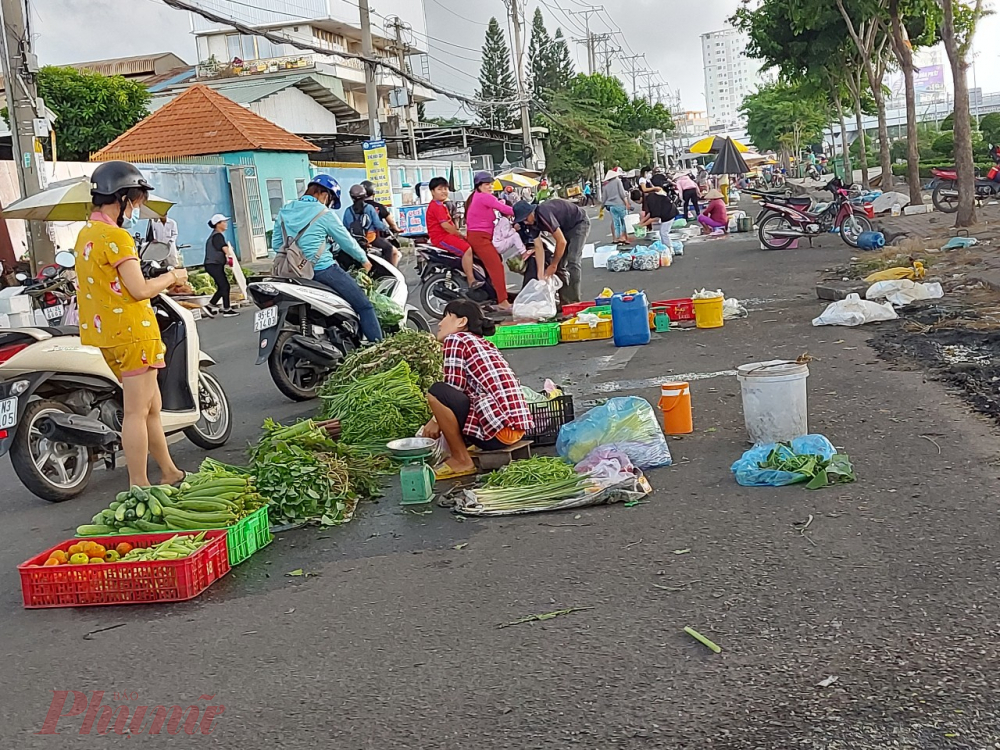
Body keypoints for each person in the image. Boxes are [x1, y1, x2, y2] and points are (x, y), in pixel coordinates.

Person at [75, 161, 187, 488]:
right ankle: (139, 484)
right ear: (121, 198)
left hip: (107, 335)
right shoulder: (117, 237)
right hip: (135, 334)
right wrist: (172, 276)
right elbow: (139, 289)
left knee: (152, 406)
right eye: (135, 202)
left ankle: (169, 471)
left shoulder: (85, 235)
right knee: (137, 412)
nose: (136, 209)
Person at [423, 299, 533, 479]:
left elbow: (452, 386)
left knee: (438, 391)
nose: (440, 323)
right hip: (515, 431)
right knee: (457, 396)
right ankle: (465, 450)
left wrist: (435, 420)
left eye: (445, 317)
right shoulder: (482, 343)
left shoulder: (456, 339)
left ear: (462, 321)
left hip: (497, 433)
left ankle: (461, 460)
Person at [271, 174, 383, 342]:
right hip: (321, 270)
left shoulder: (285, 210)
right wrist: (364, 260)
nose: (328, 204)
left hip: (291, 272)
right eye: (330, 200)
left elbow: (277, 244)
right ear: (323, 194)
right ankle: (381, 350)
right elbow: (346, 242)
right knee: (364, 306)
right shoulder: (324, 213)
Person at [512, 197, 590, 305]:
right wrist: (541, 276)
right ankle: (565, 302)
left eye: (525, 219)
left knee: (572, 261)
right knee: (559, 266)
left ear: (531, 212)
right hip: (563, 228)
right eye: (522, 221)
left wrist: (553, 265)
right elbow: (538, 247)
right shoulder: (531, 224)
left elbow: (561, 242)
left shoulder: (544, 214)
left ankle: (573, 301)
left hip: (578, 223)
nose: (525, 222)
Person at [465, 171, 514, 312]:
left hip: (482, 236)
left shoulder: (477, 196)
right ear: (479, 186)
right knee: (496, 266)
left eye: (491, 184)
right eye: (487, 184)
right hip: (480, 238)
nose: (490, 187)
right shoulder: (484, 197)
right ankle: (503, 302)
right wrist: (524, 213)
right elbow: (503, 208)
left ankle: (495, 295)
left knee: (495, 262)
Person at [425, 176, 476, 287]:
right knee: (467, 250)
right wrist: (460, 235)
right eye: (439, 189)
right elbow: (446, 226)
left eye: (445, 189)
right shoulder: (437, 206)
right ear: (432, 192)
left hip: (445, 236)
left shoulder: (440, 205)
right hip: (441, 238)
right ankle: (471, 280)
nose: (444, 191)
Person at [359, 180, 401, 266]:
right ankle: (390, 273)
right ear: (373, 194)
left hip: (357, 239)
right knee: (389, 248)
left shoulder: (351, 209)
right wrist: (395, 229)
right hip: (372, 238)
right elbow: (387, 222)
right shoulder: (376, 207)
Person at [204, 214, 239, 318]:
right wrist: (230, 257)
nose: (225, 224)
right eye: (223, 222)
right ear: (218, 224)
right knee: (225, 286)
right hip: (213, 264)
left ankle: (210, 305)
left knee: (222, 286)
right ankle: (227, 309)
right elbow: (224, 248)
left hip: (213, 265)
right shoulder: (217, 235)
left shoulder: (216, 235)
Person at [343, 184, 389, 260]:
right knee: (389, 249)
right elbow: (378, 225)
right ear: (365, 195)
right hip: (371, 239)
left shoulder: (348, 211)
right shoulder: (369, 208)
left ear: (351, 197)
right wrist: (386, 228)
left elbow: (345, 228)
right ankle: (387, 271)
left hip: (355, 241)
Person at [637, 179, 679, 245]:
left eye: (636, 202)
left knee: (663, 233)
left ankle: (669, 249)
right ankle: (667, 248)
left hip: (669, 214)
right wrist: (641, 222)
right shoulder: (650, 197)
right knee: (663, 233)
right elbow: (650, 214)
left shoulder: (650, 199)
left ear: (639, 198)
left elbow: (655, 217)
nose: (637, 203)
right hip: (669, 212)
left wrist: (641, 225)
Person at [602, 169, 632, 244]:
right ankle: (624, 238)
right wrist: (627, 203)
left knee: (616, 222)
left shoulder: (606, 186)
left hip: (611, 206)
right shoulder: (618, 181)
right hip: (619, 204)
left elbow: (604, 198)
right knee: (624, 221)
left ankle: (616, 238)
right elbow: (622, 193)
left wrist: (602, 207)